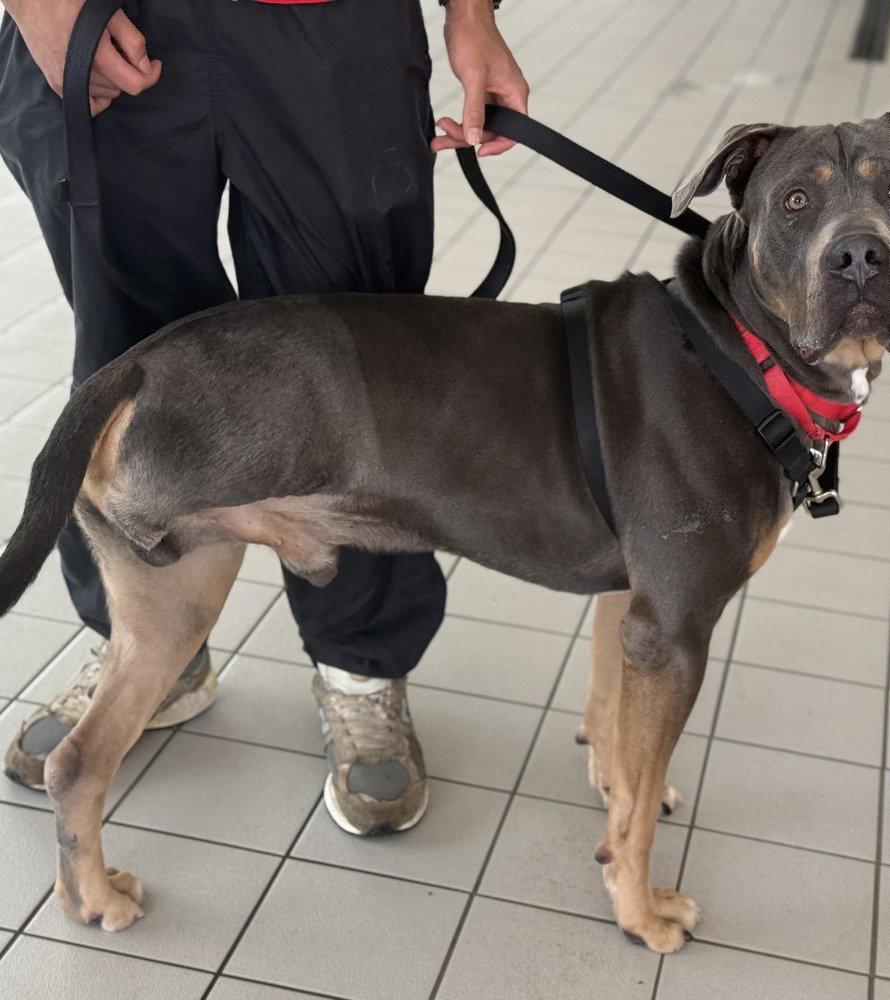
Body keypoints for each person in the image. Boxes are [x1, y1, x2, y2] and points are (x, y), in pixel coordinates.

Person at [0, 0, 528, 835]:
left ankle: (361, 664)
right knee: (127, 368)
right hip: (102, 12)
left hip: (335, 27)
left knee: (356, 372)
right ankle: (148, 651)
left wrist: (472, 9)